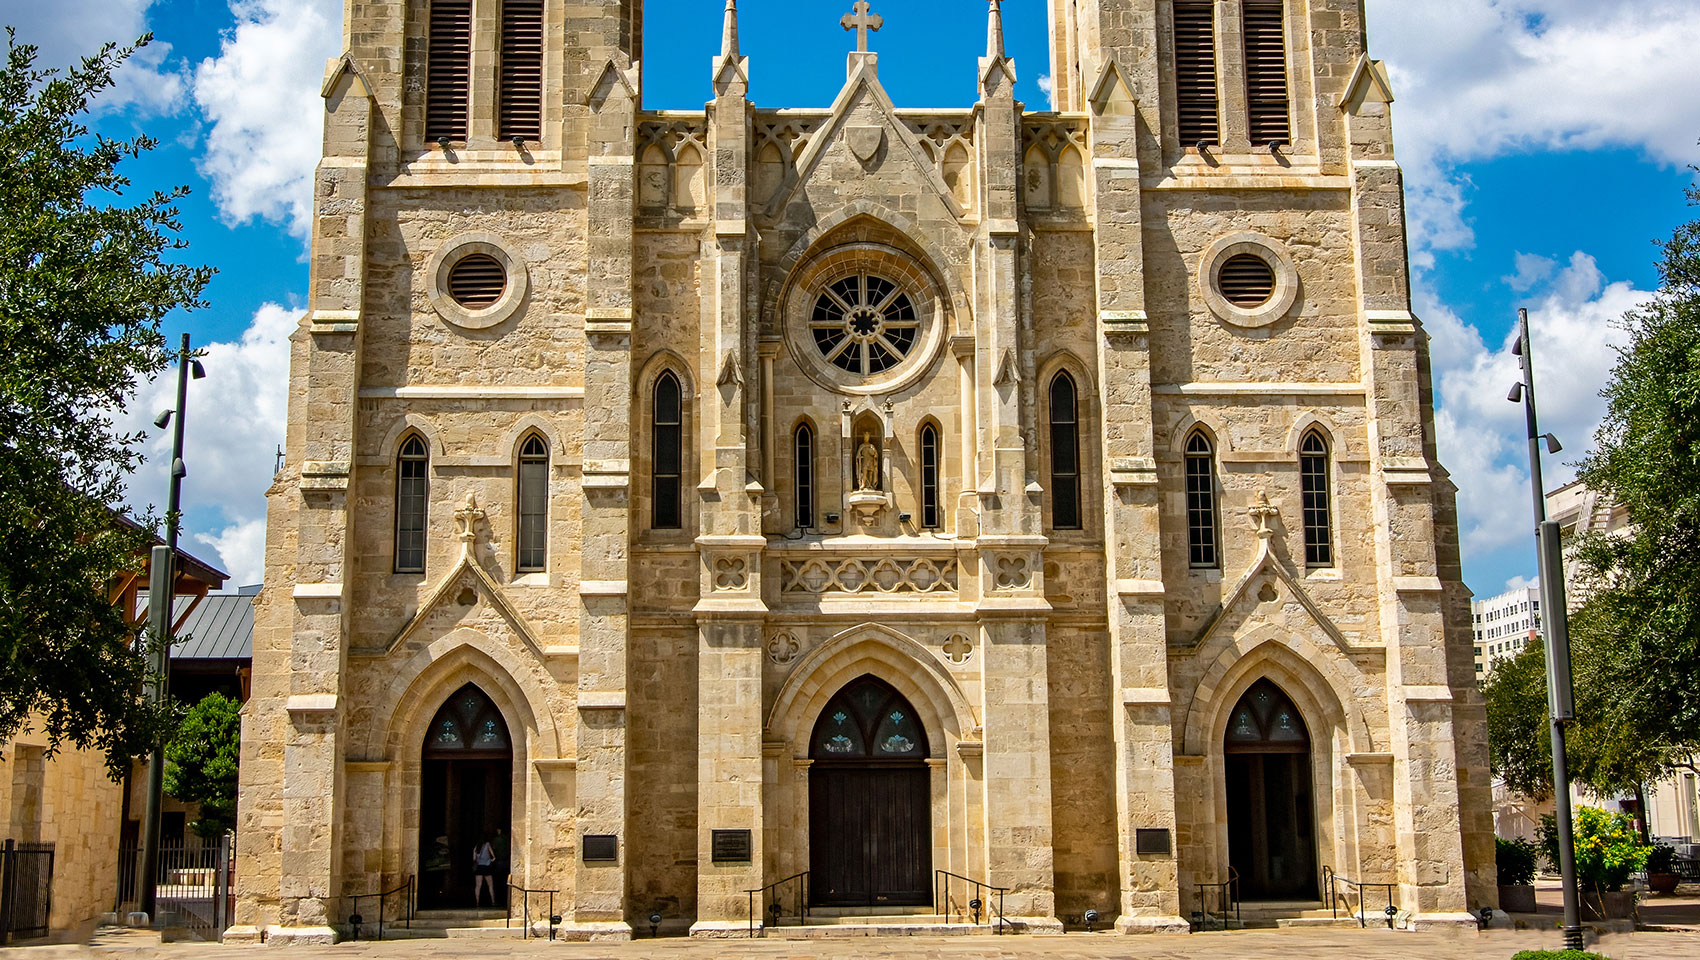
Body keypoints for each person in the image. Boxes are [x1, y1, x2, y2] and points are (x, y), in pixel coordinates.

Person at [472, 836, 497, 907]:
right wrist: (493, 859)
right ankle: (493, 901)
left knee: (478, 886)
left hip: (479, 867)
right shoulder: (487, 844)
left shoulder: (476, 847)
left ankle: (477, 902)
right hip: (487, 867)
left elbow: (474, 859)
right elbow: (493, 855)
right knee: (490, 885)